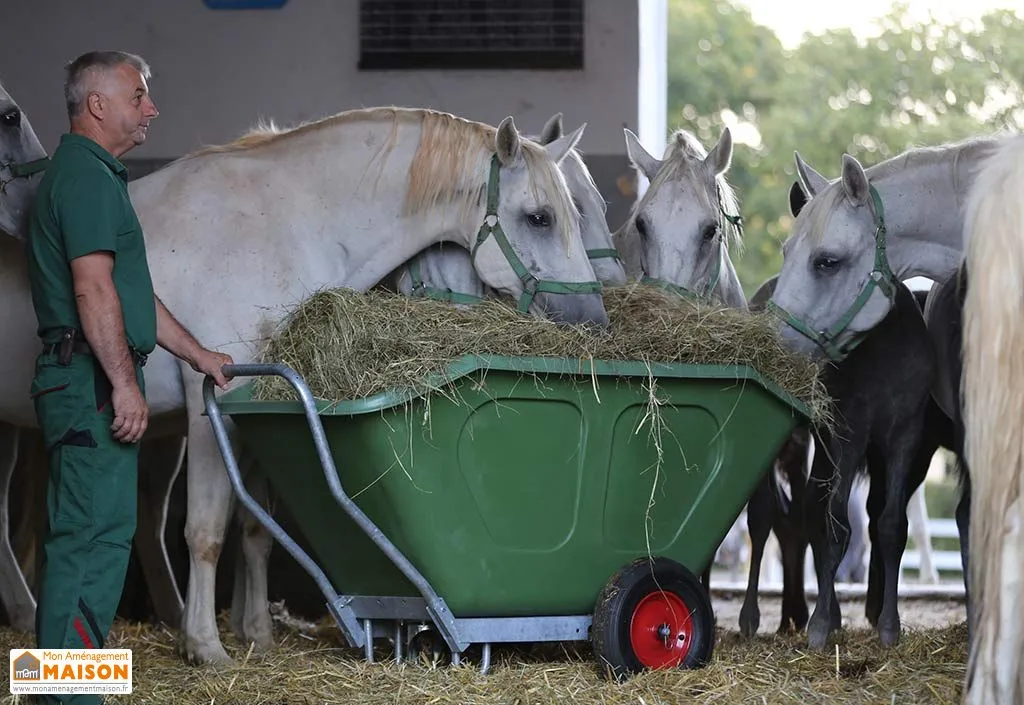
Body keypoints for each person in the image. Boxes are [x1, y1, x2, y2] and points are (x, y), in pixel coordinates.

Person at [25, 50, 232, 703]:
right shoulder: (84, 178)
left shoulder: (95, 176)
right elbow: (92, 291)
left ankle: (56, 689)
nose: (151, 108)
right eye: (138, 95)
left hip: (86, 378)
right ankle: (67, 696)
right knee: (89, 542)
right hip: (87, 382)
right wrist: (124, 383)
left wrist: (198, 353)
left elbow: (129, 292)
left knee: (94, 539)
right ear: (97, 105)